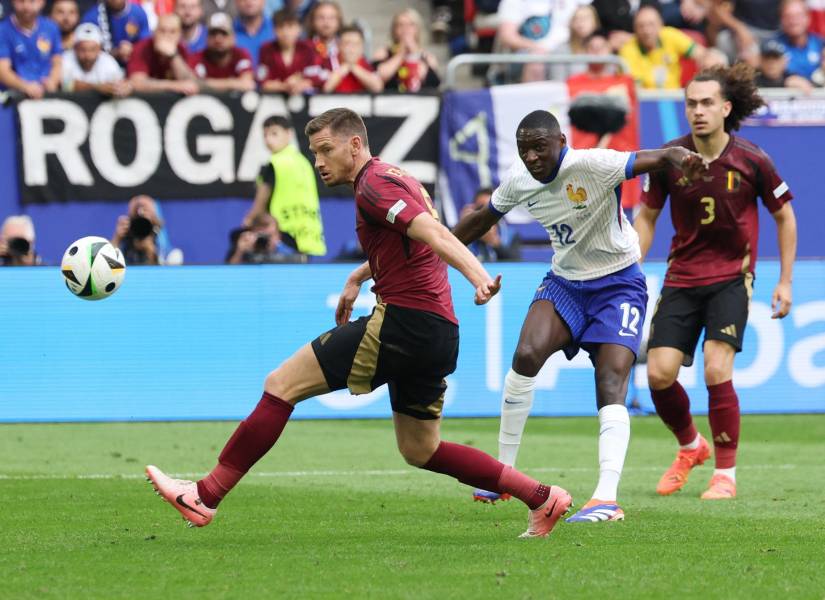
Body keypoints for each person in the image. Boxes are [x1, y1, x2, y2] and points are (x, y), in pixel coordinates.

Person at [146, 107, 575, 540]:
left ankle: (205, 495)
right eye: (314, 153)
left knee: (281, 385)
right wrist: (358, 275)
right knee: (420, 449)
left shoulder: (373, 185)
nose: (318, 162)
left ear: (355, 145)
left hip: (404, 324)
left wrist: (478, 277)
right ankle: (542, 497)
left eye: (325, 150)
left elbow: (437, 235)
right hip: (440, 332)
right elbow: (410, 241)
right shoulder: (397, 177)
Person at [452, 109, 708, 522]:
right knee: (526, 356)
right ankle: (503, 473)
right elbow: (482, 220)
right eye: (524, 149)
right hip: (566, 283)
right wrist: (431, 242)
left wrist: (682, 158)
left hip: (619, 284)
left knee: (610, 380)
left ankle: (606, 498)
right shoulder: (519, 181)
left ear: (560, 142)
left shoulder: (592, 164)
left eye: (539, 147)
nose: (532, 157)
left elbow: (659, 156)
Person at [633, 65, 797, 500]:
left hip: (730, 277)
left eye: (707, 103)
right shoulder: (669, 157)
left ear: (726, 108)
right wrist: (631, 262)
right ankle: (691, 447)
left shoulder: (752, 159)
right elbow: (646, 215)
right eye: (691, 103)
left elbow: (785, 217)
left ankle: (726, 474)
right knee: (659, 374)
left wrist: (785, 281)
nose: (698, 111)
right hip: (681, 277)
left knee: (716, 368)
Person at [244, 115, 326, 256]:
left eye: (274, 133)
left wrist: (247, 223)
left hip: (282, 238)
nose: (268, 140)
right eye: (265, 135)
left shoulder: (274, 164)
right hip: (309, 237)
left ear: (289, 134)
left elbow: (259, 205)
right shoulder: (304, 163)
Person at [495, 0, 585, 82]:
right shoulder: (515, 2)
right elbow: (507, 37)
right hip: (531, 53)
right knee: (537, 60)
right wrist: (537, 48)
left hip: (569, 49)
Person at [619, 5, 706, 89]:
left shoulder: (670, 35)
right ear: (635, 29)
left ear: (660, 24)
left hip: (674, 97)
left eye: (651, 24)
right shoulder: (628, 50)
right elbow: (634, 87)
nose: (646, 31)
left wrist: (707, 60)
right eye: (641, 26)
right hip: (645, 99)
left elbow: (701, 53)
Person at [0, 0, 62, 99]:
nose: (26, 6)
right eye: (21, 1)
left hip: (46, 93)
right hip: (13, 96)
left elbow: (57, 62)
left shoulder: (51, 27)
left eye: (32, 1)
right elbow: (2, 71)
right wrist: (25, 86)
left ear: (42, 2)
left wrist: (53, 81)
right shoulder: (2, 30)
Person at [127, 13, 198, 94]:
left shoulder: (182, 49)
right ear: (154, 33)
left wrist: (173, 56)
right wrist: (174, 86)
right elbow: (137, 83)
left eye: (172, 32)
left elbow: (191, 83)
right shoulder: (142, 47)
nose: (167, 35)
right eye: (162, 31)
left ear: (179, 35)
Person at [373, 8, 440, 92]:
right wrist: (401, 54)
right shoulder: (383, 53)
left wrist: (415, 54)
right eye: (401, 25)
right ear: (394, 29)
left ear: (417, 29)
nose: (405, 29)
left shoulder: (428, 57)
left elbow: (433, 83)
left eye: (410, 25)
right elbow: (379, 77)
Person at [189, 12, 255, 91]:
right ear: (206, 38)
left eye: (224, 34)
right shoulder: (198, 57)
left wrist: (206, 84)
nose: (218, 39)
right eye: (213, 34)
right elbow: (193, 84)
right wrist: (233, 83)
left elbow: (248, 84)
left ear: (233, 38)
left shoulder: (240, 54)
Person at [257, 8, 316, 94]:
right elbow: (263, 82)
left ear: (299, 29)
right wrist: (285, 86)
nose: (285, 32)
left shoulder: (307, 49)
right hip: (272, 102)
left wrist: (300, 85)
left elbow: (314, 79)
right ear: (274, 30)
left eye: (290, 26)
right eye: (280, 27)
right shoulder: (266, 49)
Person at [62, 22, 131, 94]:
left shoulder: (108, 61)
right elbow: (65, 85)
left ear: (99, 49)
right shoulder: (66, 59)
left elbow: (120, 84)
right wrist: (97, 87)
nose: (87, 55)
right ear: (75, 48)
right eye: (82, 50)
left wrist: (123, 87)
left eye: (92, 49)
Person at [81, 0, 151, 65]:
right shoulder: (92, 17)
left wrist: (133, 49)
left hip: (133, 64)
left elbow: (145, 44)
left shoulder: (138, 13)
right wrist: (115, 53)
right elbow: (85, 51)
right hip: (103, 67)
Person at [458, 188, 520, 262]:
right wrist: (462, 229)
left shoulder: (510, 234)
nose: (485, 214)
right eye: (481, 208)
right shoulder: (463, 232)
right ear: (473, 209)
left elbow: (516, 264)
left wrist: (495, 243)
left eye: (490, 209)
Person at [322, 25, 383, 93]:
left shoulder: (366, 63)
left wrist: (353, 67)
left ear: (362, 47)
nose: (351, 48)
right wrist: (345, 67)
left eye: (356, 44)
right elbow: (326, 88)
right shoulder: (329, 61)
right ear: (338, 45)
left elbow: (377, 87)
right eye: (347, 43)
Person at [548, 4, 601, 82]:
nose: (581, 22)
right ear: (571, 23)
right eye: (577, 18)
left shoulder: (602, 48)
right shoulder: (561, 51)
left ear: (595, 23)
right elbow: (557, 82)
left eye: (586, 18)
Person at [774, 0, 823, 80]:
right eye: (788, 16)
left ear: (808, 17)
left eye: (798, 16)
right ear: (781, 19)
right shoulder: (772, 48)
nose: (793, 21)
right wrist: (785, 81)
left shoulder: (821, 44)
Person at [225, 213, 301, 264]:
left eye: (270, 235)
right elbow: (229, 272)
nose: (265, 238)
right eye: (261, 234)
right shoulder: (246, 244)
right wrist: (240, 251)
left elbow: (299, 262)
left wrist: (277, 246)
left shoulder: (286, 244)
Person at [233, 0, 273, 68]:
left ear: (264, 1)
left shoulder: (278, 30)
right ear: (235, 1)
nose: (249, 1)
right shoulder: (222, 34)